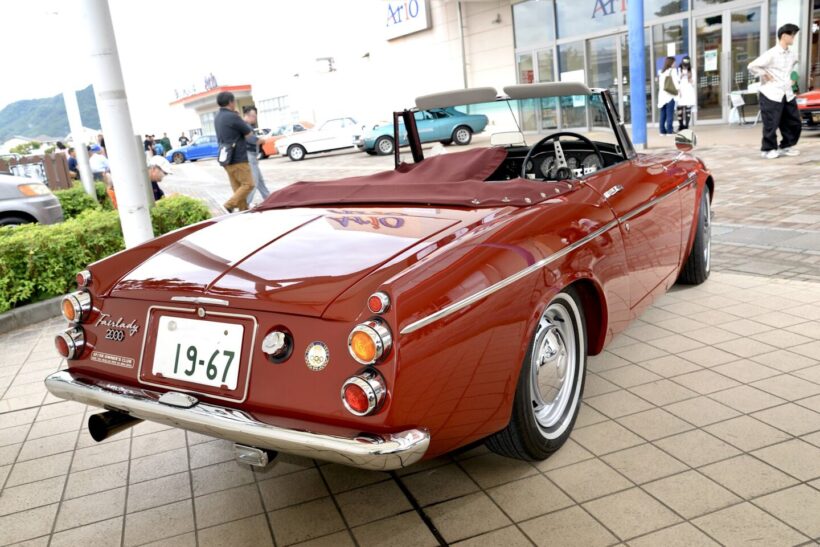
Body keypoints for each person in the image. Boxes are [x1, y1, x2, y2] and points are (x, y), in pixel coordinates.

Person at [748, 23, 801, 159]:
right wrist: (764, 74)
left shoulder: (792, 55)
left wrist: (793, 80)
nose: (794, 38)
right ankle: (768, 149)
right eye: (792, 35)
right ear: (784, 36)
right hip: (771, 93)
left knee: (794, 122)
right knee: (771, 123)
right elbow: (752, 66)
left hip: (787, 93)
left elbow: (793, 69)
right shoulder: (771, 54)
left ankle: (786, 146)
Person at [215, 91, 255, 212]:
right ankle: (228, 205)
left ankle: (243, 211)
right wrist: (239, 117)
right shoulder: (232, 116)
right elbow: (248, 133)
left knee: (238, 188)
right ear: (230, 102)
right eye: (234, 102)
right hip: (238, 157)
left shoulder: (217, 117)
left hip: (226, 158)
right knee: (248, 184)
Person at [242, 106, 271, 206]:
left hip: (252, 156)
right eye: (253, 116)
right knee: (254, 182)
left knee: (260, 181)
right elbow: (252, 140)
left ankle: (268, 199)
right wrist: (262, 140)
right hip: (249, 156)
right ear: (247, 115)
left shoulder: (247, 126)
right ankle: (246, 204)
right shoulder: (245, 126)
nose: (255, 118)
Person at [657, 57, 678, 135]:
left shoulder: (662, 72)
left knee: (663, 114)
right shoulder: (673, 71)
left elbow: (661, 85)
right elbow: (676, 82)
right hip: (669, 95)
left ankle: (662, 131)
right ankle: (669, 130)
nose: (675, 64)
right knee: (670, 114)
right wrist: (678, 90)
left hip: (662, 96)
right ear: (671, 63)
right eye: (674, 62)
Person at [676, 56, 696, 130]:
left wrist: (689, 77)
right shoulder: (678, 70)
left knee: (688, 109)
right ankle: (681, 125)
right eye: (684, 65)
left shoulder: (692, 70)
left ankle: (686, 125)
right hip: (680, 91)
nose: (685, 66)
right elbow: (676, 81)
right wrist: (681, 76)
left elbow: (693, 83)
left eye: (686, 65)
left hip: (688, 91)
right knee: (680, 109)